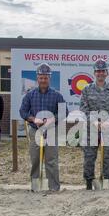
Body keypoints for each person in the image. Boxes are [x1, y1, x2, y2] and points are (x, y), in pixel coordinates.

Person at [19, 63, 67, 192]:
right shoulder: (30, 95)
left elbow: (63, 112)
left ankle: (54, 188)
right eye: (41, 77)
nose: (43, 80)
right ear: (37, 78)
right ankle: (35, 186)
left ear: (49, 78)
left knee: (51, 160)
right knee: (35, 159)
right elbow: (23, 112)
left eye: (46, 77)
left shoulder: (57, 95)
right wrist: (34, 119)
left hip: (51, 131)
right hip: (35, 130)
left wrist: (53, 119)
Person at [80, 59, 109, 190]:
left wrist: (107, 121)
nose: (100, 73)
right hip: (91, 130)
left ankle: (107, 183)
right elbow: (83, 109)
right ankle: (89, 183)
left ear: (107, 73)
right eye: (98, 71)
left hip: (108, 130)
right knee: (89, 158)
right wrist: (93, 121)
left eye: (102, 71)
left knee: (108, 158)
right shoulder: (86, 90)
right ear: (94, 73)